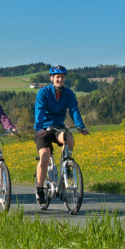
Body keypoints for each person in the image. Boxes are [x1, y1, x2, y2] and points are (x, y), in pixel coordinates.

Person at [33, 65, 89, 204]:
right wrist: (39, 127)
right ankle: (40, 188)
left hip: (58, 127)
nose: (60, 79)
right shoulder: (43, 92)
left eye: (62, 77)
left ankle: (66, 166)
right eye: (57, 77)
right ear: (52, 78)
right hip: (44, 128)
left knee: (69, 139)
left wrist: (80, 126)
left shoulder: (68, 93)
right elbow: (39, 111)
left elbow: (74, 110)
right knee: (45, 156)